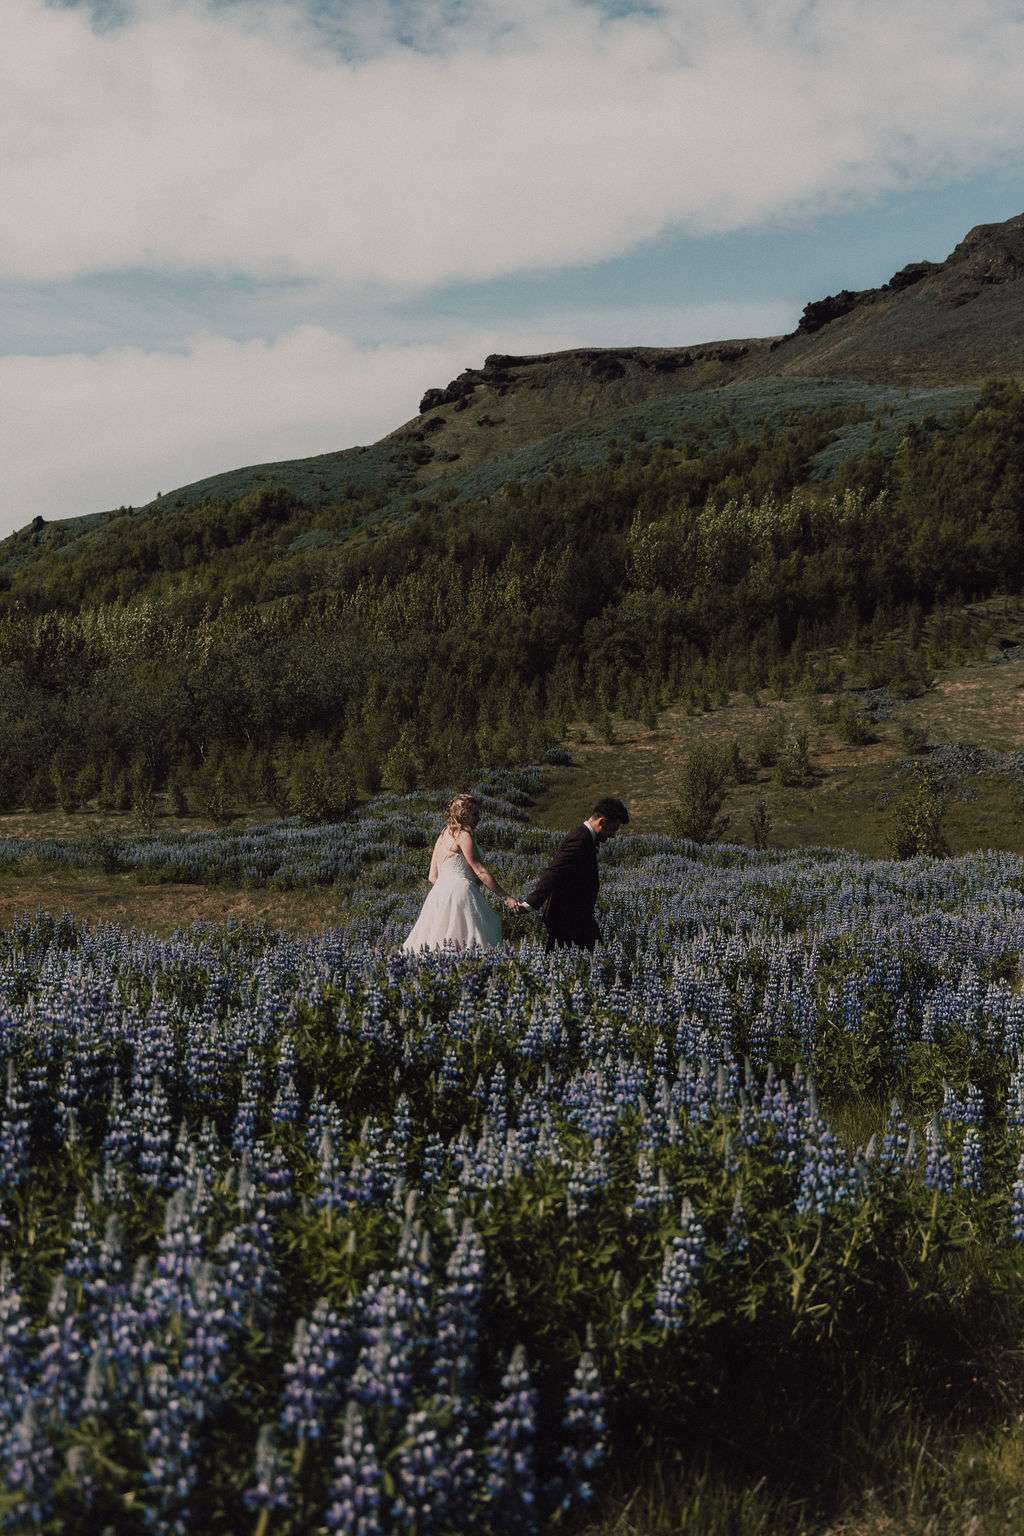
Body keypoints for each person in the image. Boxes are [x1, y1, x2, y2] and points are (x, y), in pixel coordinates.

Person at [402, 792, 519, 953]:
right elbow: (480, 871)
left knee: (436, 946)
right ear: (464, 815)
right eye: (475, 813)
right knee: (471, 944)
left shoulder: (443, 834)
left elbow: (432, 876)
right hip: (462, 893)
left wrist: (446, 891)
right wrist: (506, 897)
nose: (479, 818)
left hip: (438, 895)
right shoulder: (464, 835)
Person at [523, 796, 629, 951]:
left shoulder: (584, 837)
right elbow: (555, 872)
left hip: (578, 915)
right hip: (566, 916)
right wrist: (531, 903)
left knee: (584, 959)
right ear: (602, 822)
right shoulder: (580, 838)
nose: (612, 835)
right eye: (613, 830)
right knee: (580, 960)